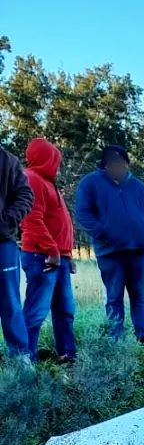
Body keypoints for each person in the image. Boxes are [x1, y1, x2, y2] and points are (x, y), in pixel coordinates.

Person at [75, 144, 144, 343]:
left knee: (139, 295)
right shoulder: (90, 184)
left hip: (138, 252)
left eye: (123, 164)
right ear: (104, 165)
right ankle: (116, 341)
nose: (119, 168)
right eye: (114, 164)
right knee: (114, 298)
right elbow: (83, 213)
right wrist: (103, 233)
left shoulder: (137, 186)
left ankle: (143, 337)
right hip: (110, 253)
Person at [21, 138, 77, 363]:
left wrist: (67, 255)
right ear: (45, 158)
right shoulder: (32, 179)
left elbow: (60, 223)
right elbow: (31, 219)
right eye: (54, 159)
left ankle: (67, 355)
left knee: (65, 310)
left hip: (59, 257)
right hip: (41, 256)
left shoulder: (49, 183)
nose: (57, 165)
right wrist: (52, 250)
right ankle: (24, 360)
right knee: (36, 311)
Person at [0, 142, 34, 360]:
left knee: (10, 303)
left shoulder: (7, 160)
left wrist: (6, 221)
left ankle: (20, 358)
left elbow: (25, 195)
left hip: (3, 244)